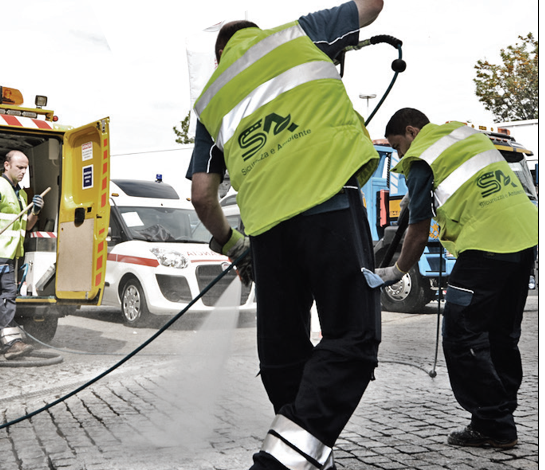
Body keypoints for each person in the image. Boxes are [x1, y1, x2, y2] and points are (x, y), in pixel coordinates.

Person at [187, 1, 384, 468]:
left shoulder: (213, 98)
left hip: (266, 235)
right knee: (353, 336)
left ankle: (302, 451)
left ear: (220, 56)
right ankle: (282, 460)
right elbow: (372, 5)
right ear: (256, 32)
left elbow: (201, 194)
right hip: (330, 205)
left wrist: (235, 246)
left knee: (282, 351)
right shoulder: (300, 34)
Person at [377, 108, 537, 448]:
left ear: (411, 131)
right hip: (525, 236)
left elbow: (418, 234)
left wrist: (396, 271)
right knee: (500, 333)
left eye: (397, 146)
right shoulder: (462, 134)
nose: (399, 154)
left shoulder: (422, 157)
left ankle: (493, 423)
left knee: (462, 335)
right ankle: (502, 410)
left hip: (486, 245)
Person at [0, 150, 44, 360]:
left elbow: (27, 225)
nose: (23, 172)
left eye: (25, 168)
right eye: (19, 167)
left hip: (9, 253)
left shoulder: (20, 194)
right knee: (6, 292)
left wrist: (36, 212)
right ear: (7, 165)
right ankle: (11, 341)